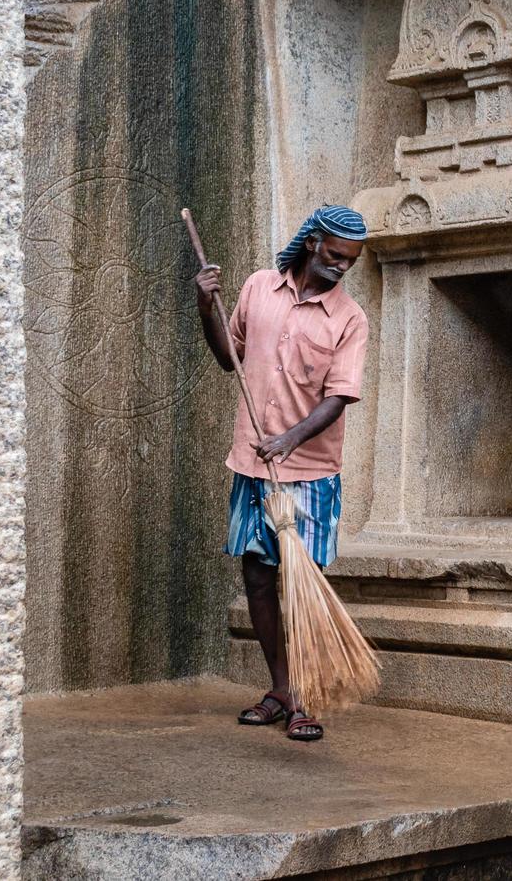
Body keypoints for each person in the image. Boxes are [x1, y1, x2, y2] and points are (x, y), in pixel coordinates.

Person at [195, 205, 368, 742]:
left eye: (351, 261)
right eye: (337, 256)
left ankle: (308, 699)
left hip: (310, 472)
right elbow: (229, 358)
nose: (343, 268)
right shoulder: (257, 287)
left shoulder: (349, 318)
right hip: (252, 464)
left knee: (302, 583)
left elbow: (339, 396)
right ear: (313, 243)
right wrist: (205, 304)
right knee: (258, 577)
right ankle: (281, 691)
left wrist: (290, 439)